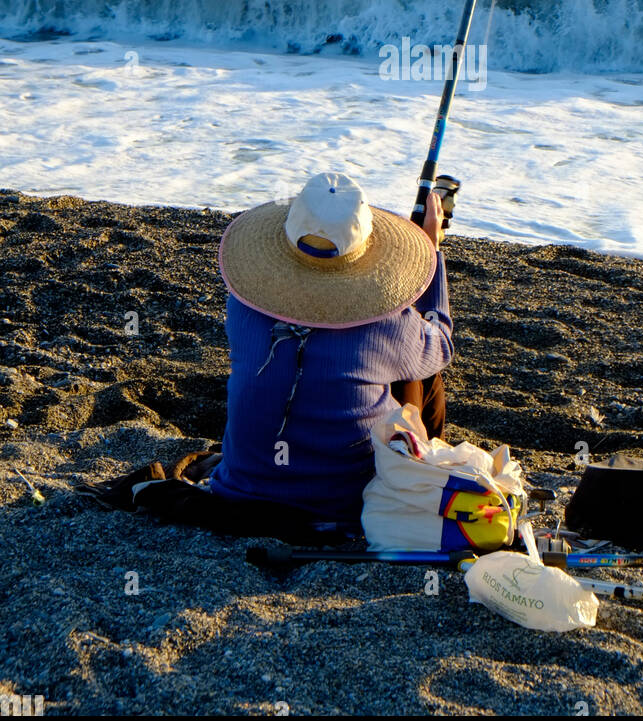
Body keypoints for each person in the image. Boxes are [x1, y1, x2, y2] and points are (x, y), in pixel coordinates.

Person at [82, 172, 452, 542]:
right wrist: (431, 253)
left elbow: (321, 326)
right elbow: (441, 346)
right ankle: (421, 467)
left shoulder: (244, 305)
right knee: (421, 370)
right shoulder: (390, 325)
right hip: (348, 505)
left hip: (241, 492)